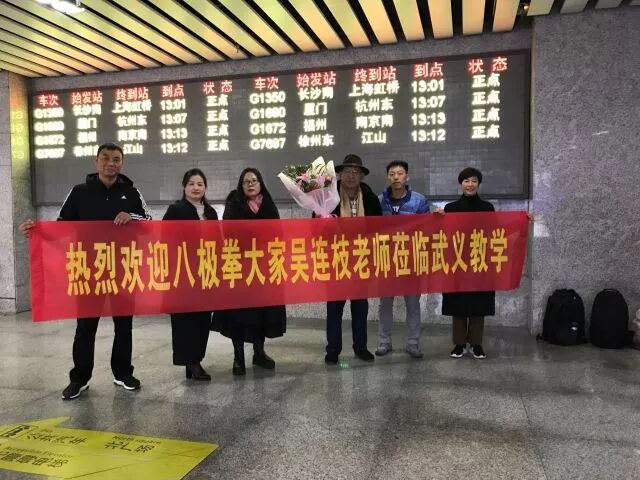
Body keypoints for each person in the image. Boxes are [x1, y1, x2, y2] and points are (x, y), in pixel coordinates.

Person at [19, 143, 151, 399]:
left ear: (122, 163)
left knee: (124, 325)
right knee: (85, 326)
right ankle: (79, 378)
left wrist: (132, 217)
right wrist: (35, 231)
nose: (111, 163)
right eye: (106, 158)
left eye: (116, 159)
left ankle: (123, 373)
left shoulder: (132, 193)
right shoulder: (79, 192)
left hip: (123, 268)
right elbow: (61, 225)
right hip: (89, 270)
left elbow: (148, 222)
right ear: (96, 161)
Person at [211, 168, 286, 376]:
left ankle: (259, 353)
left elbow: (277, 232)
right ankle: (238, 357)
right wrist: (255, 232)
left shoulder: (268, 202)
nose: (251, 184)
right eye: (246, 181)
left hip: (263, 269)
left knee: (261, 313)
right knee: (238, 314)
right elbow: (228, 231)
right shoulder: (234, 202)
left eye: (254, 180)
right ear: (241, 185)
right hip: (240, 267)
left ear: (260, 183)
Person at [323, 154, 382, 365]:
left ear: (362, 176)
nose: (351, 175)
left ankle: (361, 348)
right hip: (336, 260)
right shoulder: (328, 197)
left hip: (361, 260)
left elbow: (379, 227)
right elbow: (315, 226)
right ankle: (333, 350)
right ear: (340, 174)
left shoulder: (370, 197)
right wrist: (323, 221)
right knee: (334, 309)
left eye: (355, 172)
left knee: (360, 307)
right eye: (347, 171)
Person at [163, 168, 218, 381]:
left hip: (206, 272)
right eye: (192, 184)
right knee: (186, 321)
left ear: (205, 188)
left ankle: (195, 360)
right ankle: (191, 362)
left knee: (203, 319)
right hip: (183, 273)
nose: (196, 188)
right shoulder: (176, 210)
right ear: (184, 187)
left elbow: (218, 241)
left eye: (200, 184)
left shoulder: (211, 212)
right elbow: (164, 240)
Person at [376, 160, 430, 359]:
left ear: (407, 176)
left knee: (413, 305)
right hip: (386, 260)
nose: (396, 177)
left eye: (400, 173)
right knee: (385, 304)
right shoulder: (379, 201)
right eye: (392, 174)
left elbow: (427, 229)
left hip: (411, 260)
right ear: (388, 177)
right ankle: (384, 342)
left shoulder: (419, 201)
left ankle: (413, 344)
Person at [442, 167, 494, 359]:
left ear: (479, 184)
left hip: (480, 263)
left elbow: (496, 232)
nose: (470, 185)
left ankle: (476, 344)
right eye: (466, 181)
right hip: (457, 264)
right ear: (460, 184)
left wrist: (522, 219)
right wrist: (437, 218)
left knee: (478, 304)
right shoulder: (450, 208)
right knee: (459, 305)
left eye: (473, 181)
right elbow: (443, 233)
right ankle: (459, 344)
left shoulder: (487, 208)